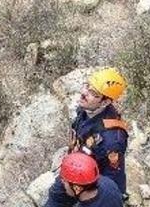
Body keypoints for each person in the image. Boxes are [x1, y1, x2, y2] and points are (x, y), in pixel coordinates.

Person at [45, 68, 130, 205]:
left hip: (91, 184)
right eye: (87, 86)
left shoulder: (111, 140)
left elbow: (111, 181)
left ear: (105, 102)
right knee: (55, 195)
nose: (84, 93)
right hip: (76, 169)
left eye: (93, 93)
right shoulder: (86, 111)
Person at [44, 152, 124, 207]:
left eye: (64, 181)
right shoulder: (108, 185)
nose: (61, 181)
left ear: (77, 188)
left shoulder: (109, 199)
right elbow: (55, 199)